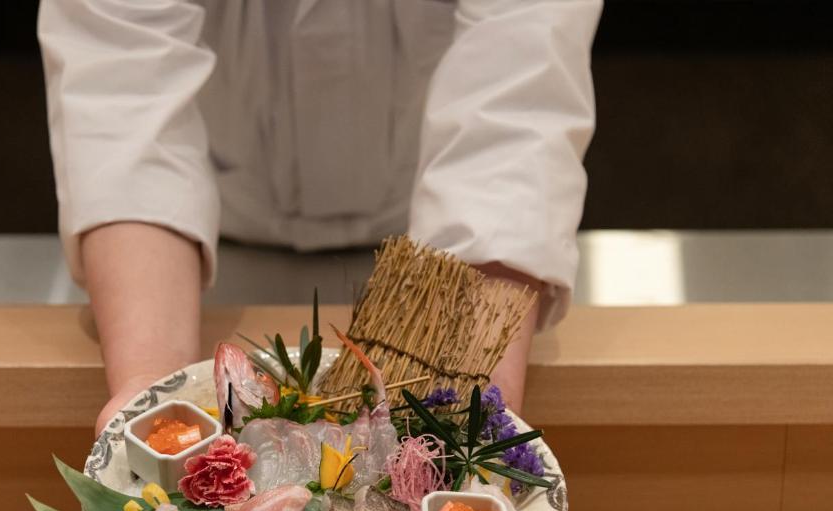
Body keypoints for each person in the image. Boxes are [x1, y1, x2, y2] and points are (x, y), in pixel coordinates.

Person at [37, 0, 601, 433]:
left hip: (437, 246)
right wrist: (147, 386)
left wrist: (455, 420)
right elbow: (124, 77)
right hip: (188, 245)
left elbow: (516, 91)